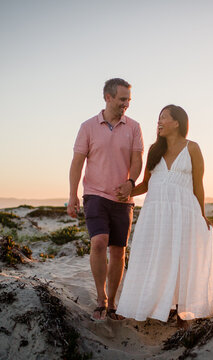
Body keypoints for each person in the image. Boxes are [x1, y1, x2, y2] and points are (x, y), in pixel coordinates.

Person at [116, 104, 213, 328]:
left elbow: (198, 186)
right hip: (155, 213)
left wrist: (202, 215)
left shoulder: (192, 148)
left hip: (184, 212)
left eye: (163, 118)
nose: (158, 122)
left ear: (178, 122)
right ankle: (145, 305)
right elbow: (145, 184)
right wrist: (127, 191)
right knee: (151, 257)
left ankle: (182, 313)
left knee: (182, 259)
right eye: (158, 119)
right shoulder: (154, 150)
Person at [67, 78, 143, 321]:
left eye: (129, 100)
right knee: (99, 242)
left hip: (122, 198)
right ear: (108, 97)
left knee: (119, 252)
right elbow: (77, 164)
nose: (126, 105)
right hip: (95, 195)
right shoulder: (88, 126)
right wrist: (72, 195)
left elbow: (137, 160)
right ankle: (101, 299)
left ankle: (112, 305)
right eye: (122, 99)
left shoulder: (134, 127)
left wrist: (131, 183)